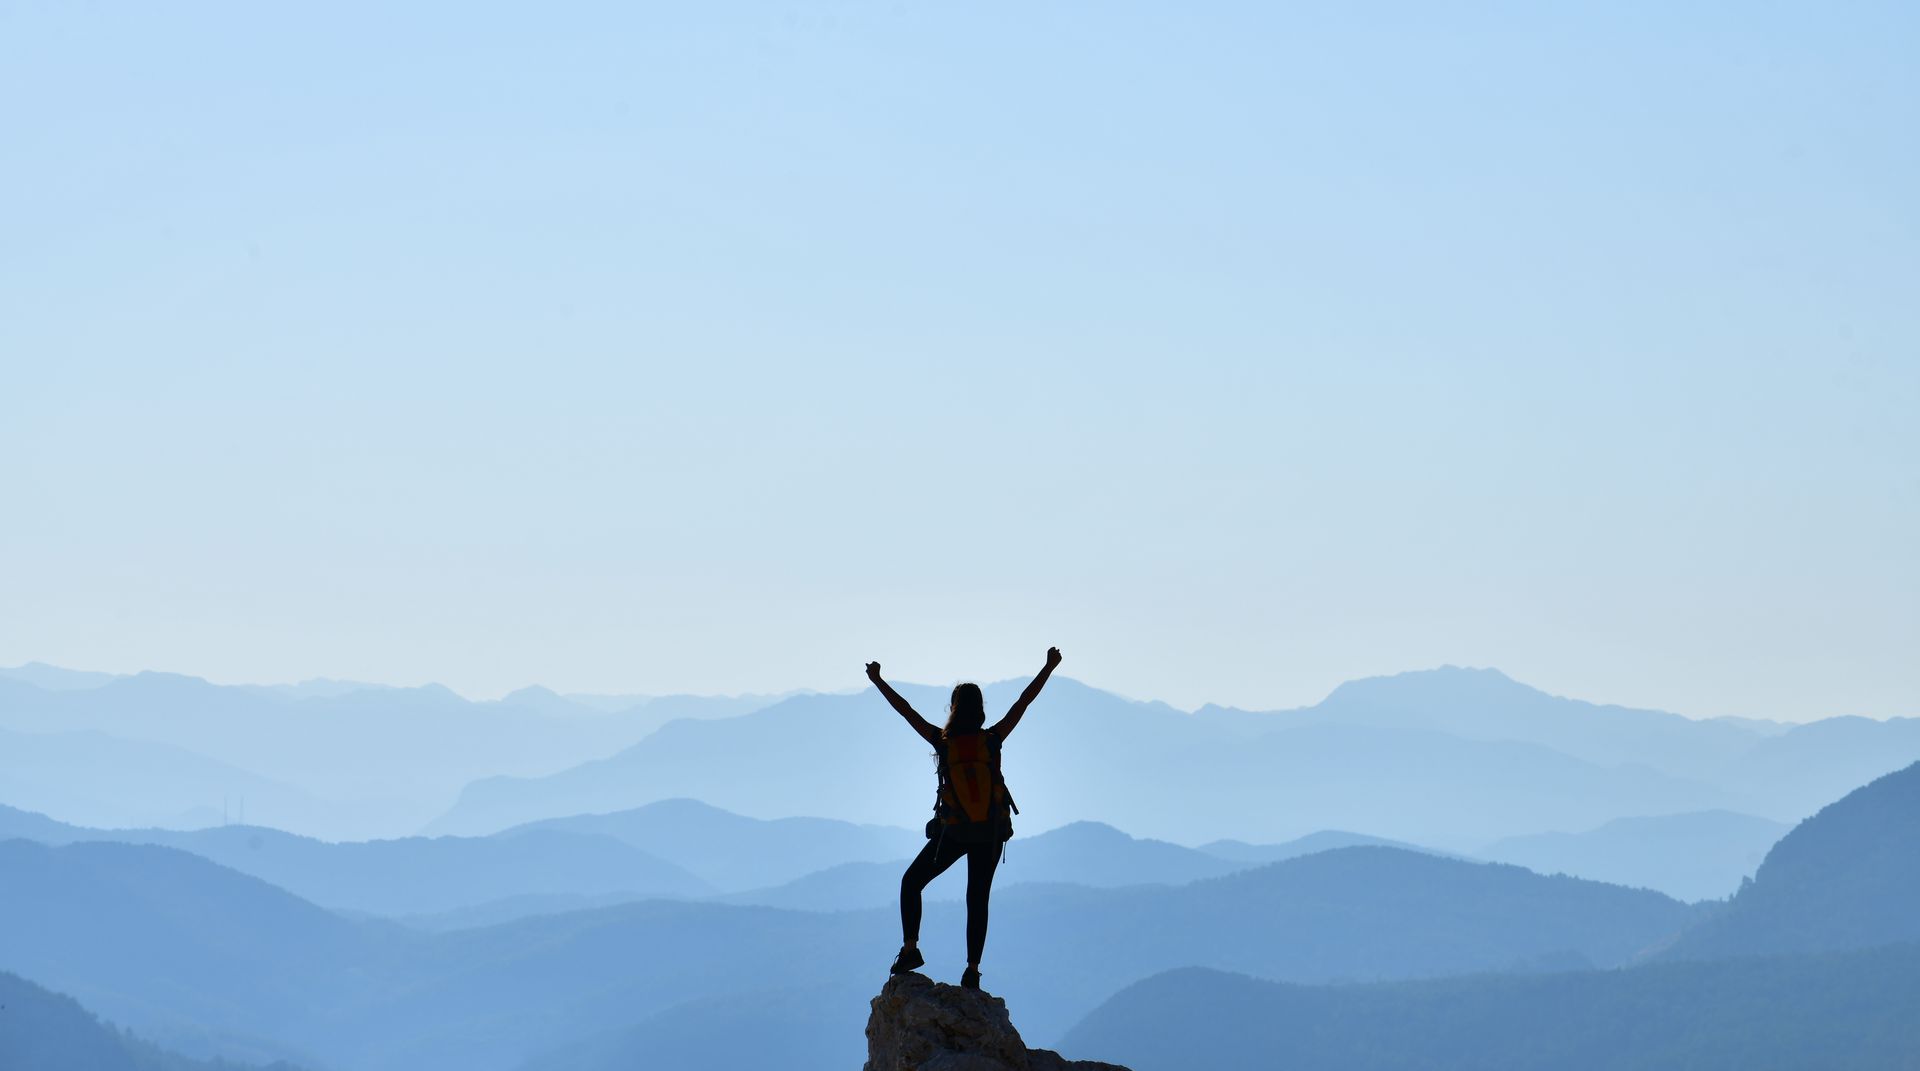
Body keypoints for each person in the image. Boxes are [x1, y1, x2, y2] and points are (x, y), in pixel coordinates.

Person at [866, 647, 1062, 991]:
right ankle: (972, 970)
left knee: (912, 882)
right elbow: (1023, 703)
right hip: (990, 832)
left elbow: (905, 711)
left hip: (955, 833)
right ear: (981, 709)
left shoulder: (943, 741)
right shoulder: (992, 740)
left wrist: (878, 680)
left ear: (953, 708)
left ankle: (910, 948)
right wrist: (1048, 667)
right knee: (977, 899)